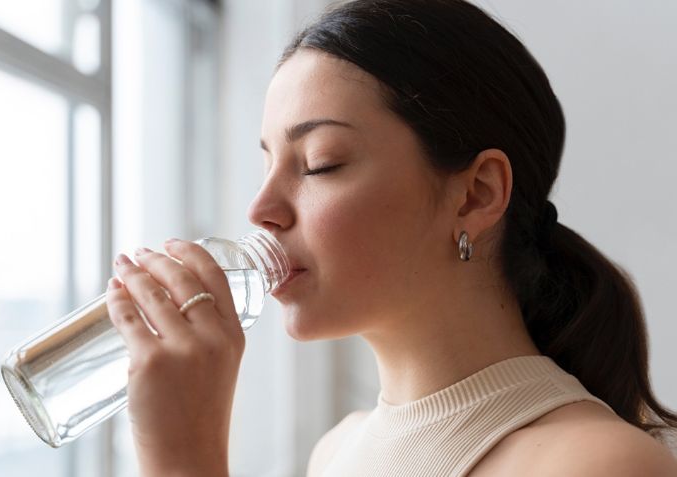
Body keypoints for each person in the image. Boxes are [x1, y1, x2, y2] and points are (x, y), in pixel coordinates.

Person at [105, 0, 677, 475]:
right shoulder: (335, 453)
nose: (261, 210)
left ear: (477, 194)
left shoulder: (597, 463)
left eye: (319, 163)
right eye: (266, 165)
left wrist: (183, 459)